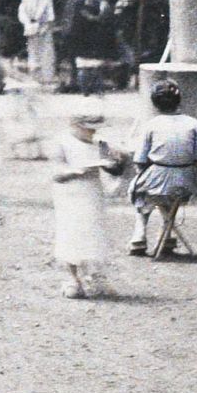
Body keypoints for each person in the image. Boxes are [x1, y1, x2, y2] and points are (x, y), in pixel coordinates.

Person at [50, 107, 124, 297]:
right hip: (70, 194)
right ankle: (72, 278)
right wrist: (76, 171)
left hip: (93, 193)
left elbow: (115, 169)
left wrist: (116, 162)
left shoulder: (100, 144)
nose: (92, 132)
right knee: (71, 235)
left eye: (95, 129)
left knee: (94, 233)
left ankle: (96, 274)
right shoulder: (62, 142)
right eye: (88, 128)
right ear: (74, 125)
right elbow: (56, 173)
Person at [129, 78, 197, 257]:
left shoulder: (152, 124)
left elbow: (139, 159)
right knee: (172, 193)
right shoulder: (192, 123)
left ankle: (139, 234)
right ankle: (167, 234)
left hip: (158, 179)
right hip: (185, 182)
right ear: (179, 100)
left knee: (138, 190)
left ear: (155, 104)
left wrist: (145, 170)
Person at [65, 0, 112, 97]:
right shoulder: (94, 1)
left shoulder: (74, 1)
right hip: (87, 36)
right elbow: (101, 16)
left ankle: (81, 87)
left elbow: (71, 19)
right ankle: (92, 87)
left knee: (80, 63)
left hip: (76, 35)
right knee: (91, 63)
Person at [18, 0, 58, 89]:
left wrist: (27, 23)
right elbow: (46, 7)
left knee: (32, 51)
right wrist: (43, 20)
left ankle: (34, 76)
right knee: (46, 51)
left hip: (30, 25)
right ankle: (46, 78)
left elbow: (21, 11)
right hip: (42, 24)